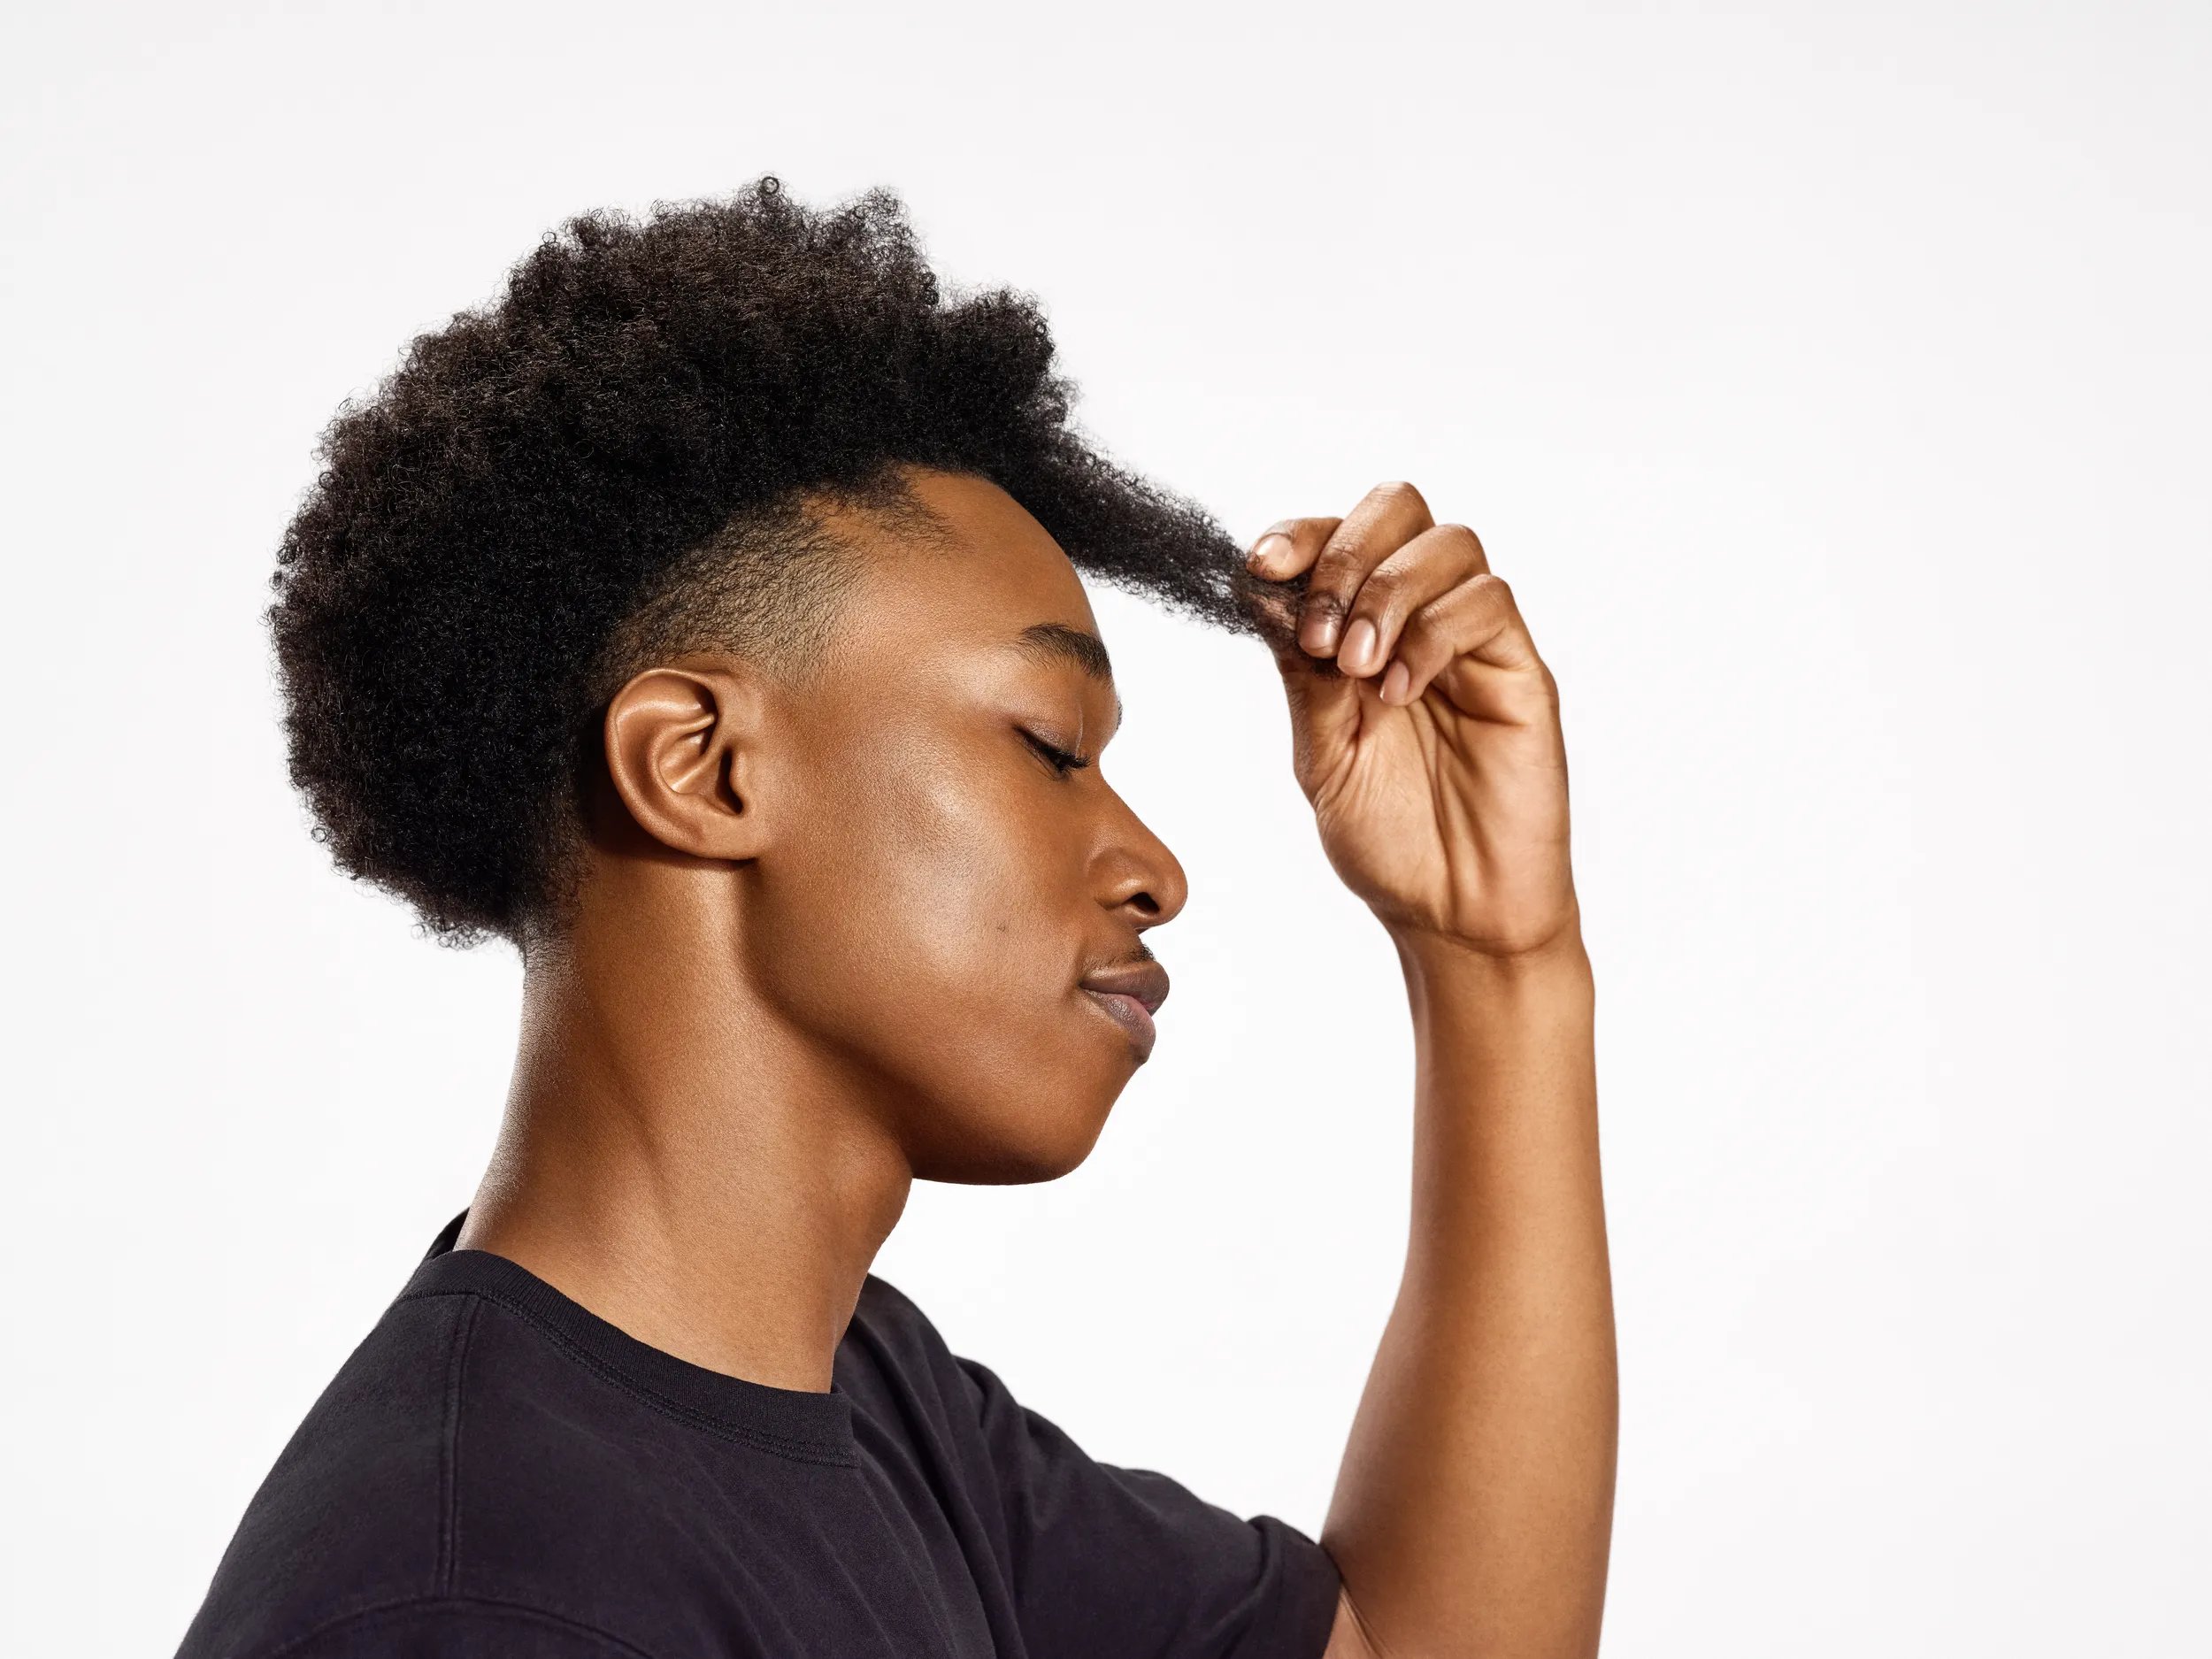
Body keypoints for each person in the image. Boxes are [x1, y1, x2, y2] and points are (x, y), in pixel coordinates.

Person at [176, 178, 1617, 1659]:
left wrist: (1495, 959)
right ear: (703, 767)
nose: (1154, 868)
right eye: (1053, 745)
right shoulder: (479, 1600)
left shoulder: (859, 1398)